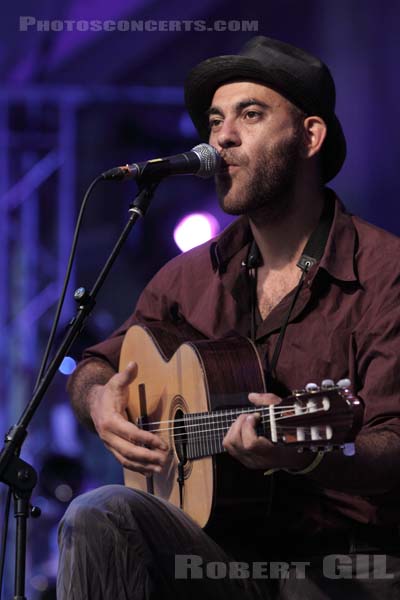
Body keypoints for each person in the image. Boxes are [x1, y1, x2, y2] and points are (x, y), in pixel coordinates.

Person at [57, 36, 400, 599]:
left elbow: (392, 442)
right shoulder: (188, 278)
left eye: (251, 115)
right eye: (215, 121)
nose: (222, 137)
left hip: (345, 568)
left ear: (310, 137)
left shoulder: (385, 273)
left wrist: (307, 456)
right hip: (219, 552)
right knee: (103, 513)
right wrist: (97, 399)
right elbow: (96, 363)